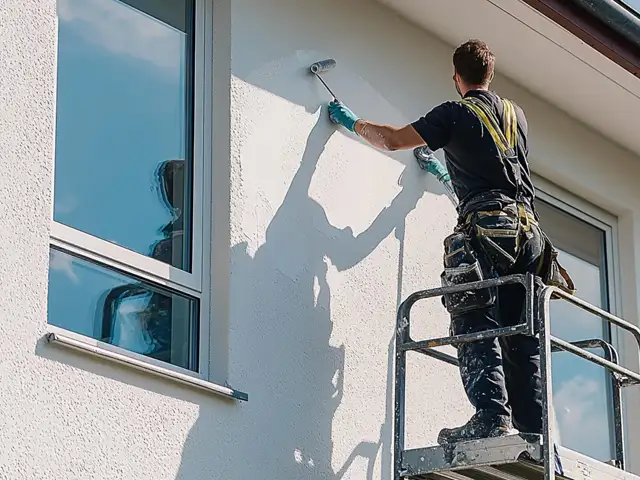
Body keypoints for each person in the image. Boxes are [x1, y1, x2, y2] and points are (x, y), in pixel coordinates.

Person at [327, 39, 573, 446]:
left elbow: (390, 140)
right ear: (489, 75)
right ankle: (534, 431)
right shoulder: (517, 116)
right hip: (529, 237)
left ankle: (492, 416)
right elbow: (496, 174)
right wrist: (444, 173)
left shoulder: (455, 112)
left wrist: (354, 123)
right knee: (521, 333)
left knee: (473, 316)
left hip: (490, 230)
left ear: (457, 77)